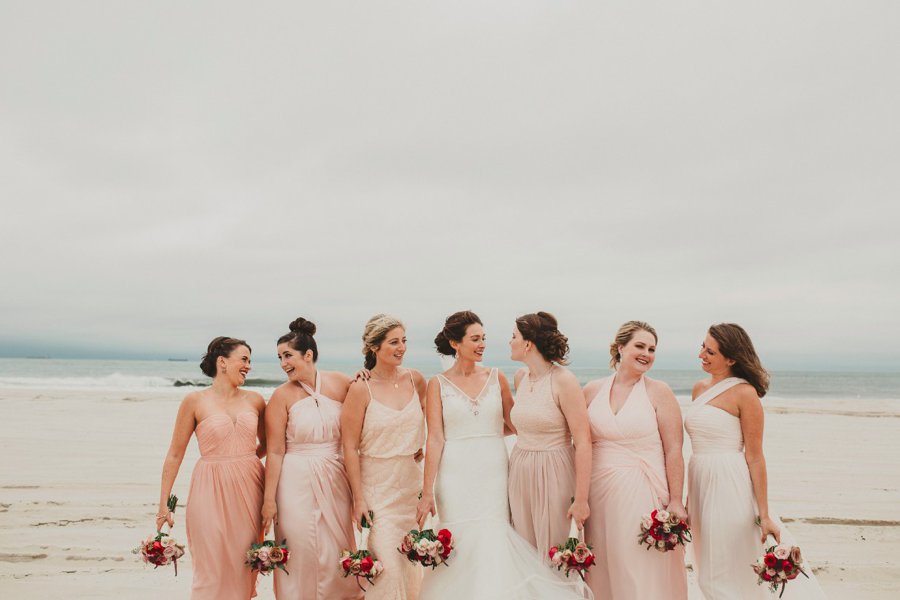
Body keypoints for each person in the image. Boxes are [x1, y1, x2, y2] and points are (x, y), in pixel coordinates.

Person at [417, 310, 590, 599]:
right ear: (455, 343)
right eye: (475, 339)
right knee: (459, 542)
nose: (483, 344)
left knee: (496, 539)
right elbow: (434, 438)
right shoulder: (437, 384)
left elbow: (516, 423)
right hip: (454, 472)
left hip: (494, 470)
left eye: (484, 337)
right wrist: (426, 492)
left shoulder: (497, 377)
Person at [686, 323, 826, 599]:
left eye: (710, 351)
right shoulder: (698, 389)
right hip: (700, 480)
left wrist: (764, 514)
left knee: (723, 569)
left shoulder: (745, 394)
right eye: (702, 346)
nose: (701, 354)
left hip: (730, 483)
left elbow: (755, 456)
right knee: (705, 565)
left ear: (731, 359)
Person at [582, 321, 687, 599]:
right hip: (598, 492)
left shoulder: (659, 391)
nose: (647, 354)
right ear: (620, 348)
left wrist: (676, 499)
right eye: (640, 346)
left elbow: (674, 449)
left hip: (642, 491)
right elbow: (578, 443)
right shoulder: (592, 390)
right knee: (603, 561)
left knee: (639, 565)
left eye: (652, 349)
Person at [156, 336, 266, 600]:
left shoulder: (256, 400)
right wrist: (163, 506)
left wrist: (244, 458)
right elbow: (174, 455)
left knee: (245, 563)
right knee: (211, 565)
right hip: (209, 487)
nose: (249, 366)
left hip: (250, 489)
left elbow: (271, 446)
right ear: (222, 362)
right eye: (244, 359)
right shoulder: (194, 401)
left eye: (250, 361)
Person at [261, 318, 363, 600]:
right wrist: (269, 499)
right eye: (280, 357)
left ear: (308, 355)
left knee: (336, 546)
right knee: (300, 546)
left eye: (288, 356)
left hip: (335, 475)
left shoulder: (342, 383)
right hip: (295, 480)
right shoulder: (281, 396)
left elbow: (364, 419)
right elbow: (275, 451)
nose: (283, 363)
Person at [341, 314, 426, 600]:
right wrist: (358, 499)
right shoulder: (359, 388)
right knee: (386, 569)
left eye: (404, 341)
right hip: (377, 490)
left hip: (410, 486)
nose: (401, 347)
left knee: (412, 565)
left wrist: (420, 444)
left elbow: (433, 423)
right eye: (393, 342)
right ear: (374, 347)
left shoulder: (416, 380)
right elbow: (349, 447)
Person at [507, 312, 592, 560]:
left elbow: (583, 440)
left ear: (528, 344)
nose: (509, 342)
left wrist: (582, 499)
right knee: (525, 552)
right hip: (520, 469)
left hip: (554, 470)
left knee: (556, 551)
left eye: (513, 336)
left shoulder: (564, 381)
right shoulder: (520, 377)